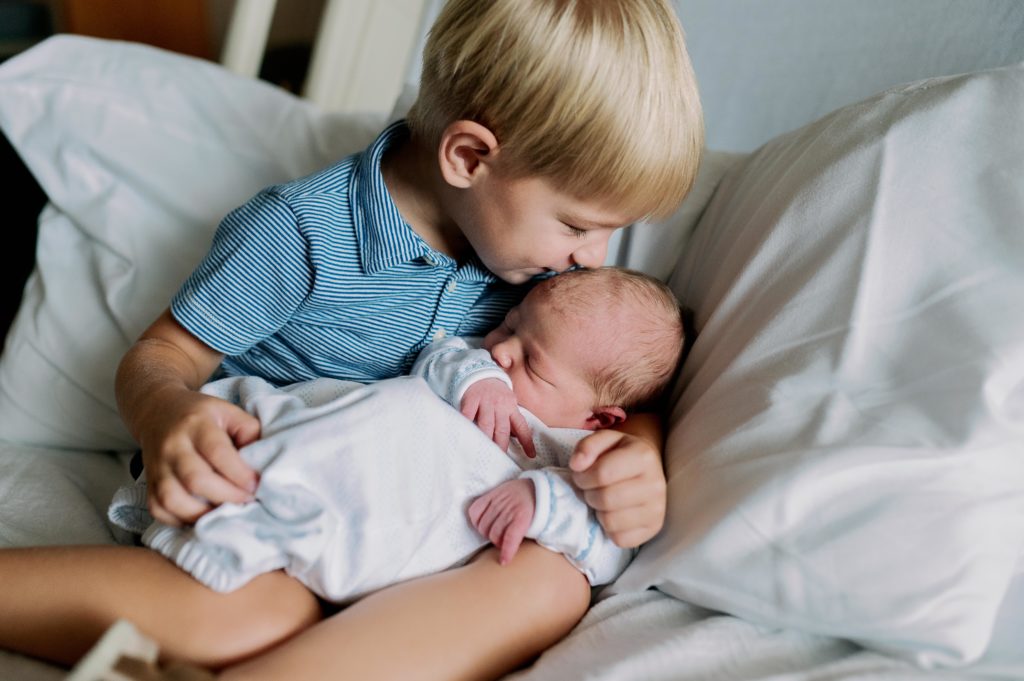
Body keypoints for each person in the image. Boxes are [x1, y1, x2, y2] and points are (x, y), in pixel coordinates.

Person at [1, 0, 703, 678]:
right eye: (579, 225)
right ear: (468, 157)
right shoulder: (301, 232)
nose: (594, 257)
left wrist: (632, 449)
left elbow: (601, 380)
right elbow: (164, 356)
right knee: (252, 616)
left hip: (418, 526)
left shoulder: (537, 271)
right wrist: (166, 415)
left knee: (553, 581)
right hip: (276, 494)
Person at [102, 267, 684, 611]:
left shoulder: (575, 458)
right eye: (509, 327)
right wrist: (480, 377)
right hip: (310, 434)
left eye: (530, 360)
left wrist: (541, 501)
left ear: (599, 419)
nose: (499, 347)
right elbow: (441, 355)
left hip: (368, 510)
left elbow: (608, 546)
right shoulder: (471, 369)